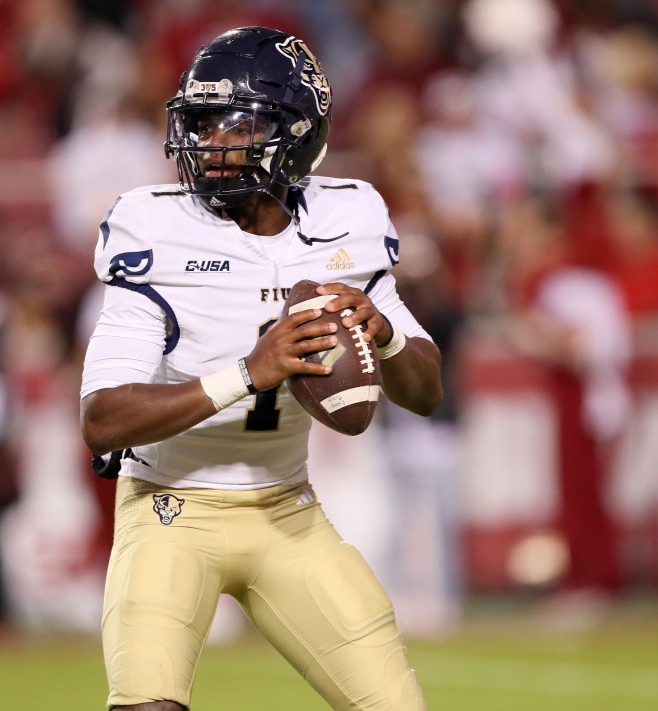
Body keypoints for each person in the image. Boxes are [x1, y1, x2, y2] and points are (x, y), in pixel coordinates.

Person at [80, 27, 442, 711]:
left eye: (232, 122)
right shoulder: (153, 227)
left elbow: (426, 390)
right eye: (201, 121)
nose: (209, 140)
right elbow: (102, 420)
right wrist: (248, 371)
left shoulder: (351, 217)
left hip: (287, 512)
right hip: (170, 509)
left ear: (296, 131)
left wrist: (386, 333)